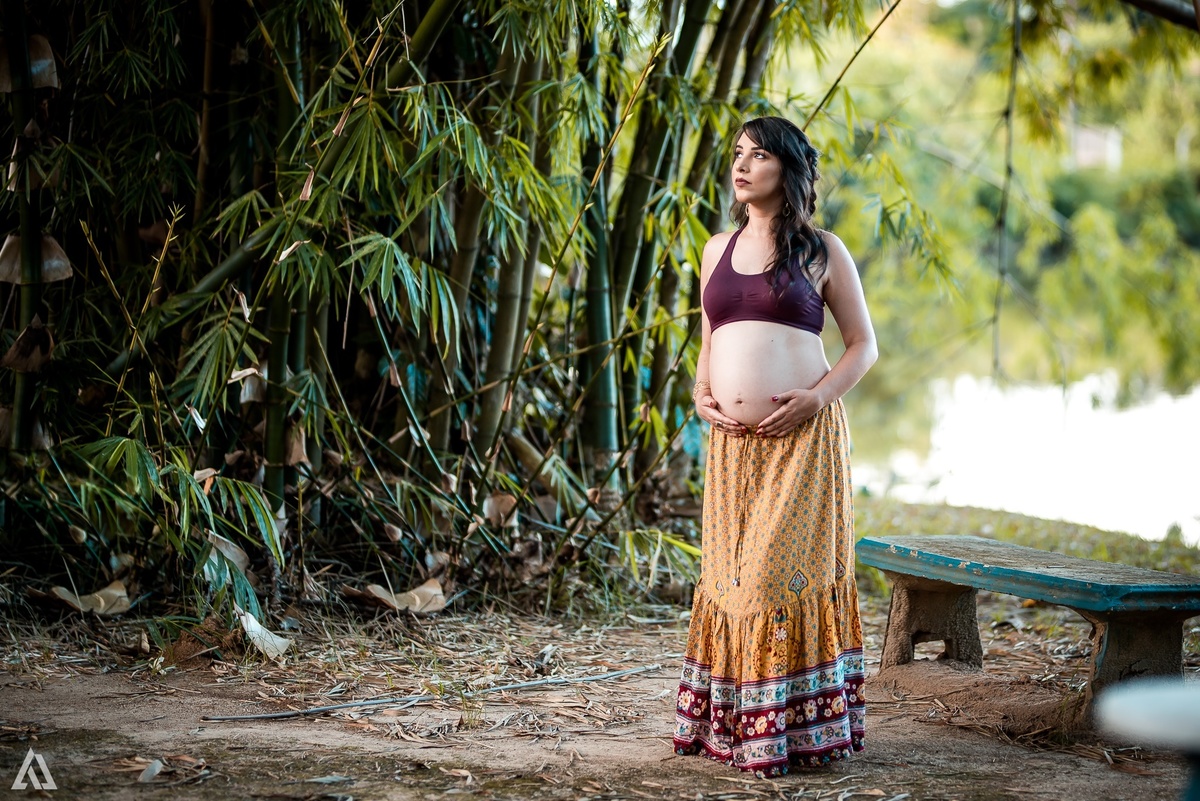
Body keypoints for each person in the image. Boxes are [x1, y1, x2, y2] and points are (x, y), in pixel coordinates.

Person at [673, 116, 878, 776]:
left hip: (802, 446)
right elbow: (710, 336)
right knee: (731, 585)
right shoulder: (714, 248)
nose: (742, 165)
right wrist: (703, 391)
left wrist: (817, 397)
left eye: (758, 155)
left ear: (787, 171)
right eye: (738, 153)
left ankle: (787, 732)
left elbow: (863, 345)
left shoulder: (822, 251)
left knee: (771, 583)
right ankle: (738, 729)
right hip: (732, 448)